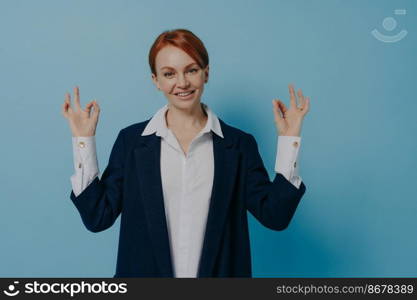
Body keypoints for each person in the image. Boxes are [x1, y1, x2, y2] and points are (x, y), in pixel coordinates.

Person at [61, 28, 310, 278]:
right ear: (156, 81)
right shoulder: (132, 143)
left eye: (191, 70)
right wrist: (83, 140)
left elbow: (275, 216)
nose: (182, 83)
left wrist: (289, 140)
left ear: (206, 73)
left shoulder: (238, 145)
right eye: (169, 74)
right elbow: (97, 217)